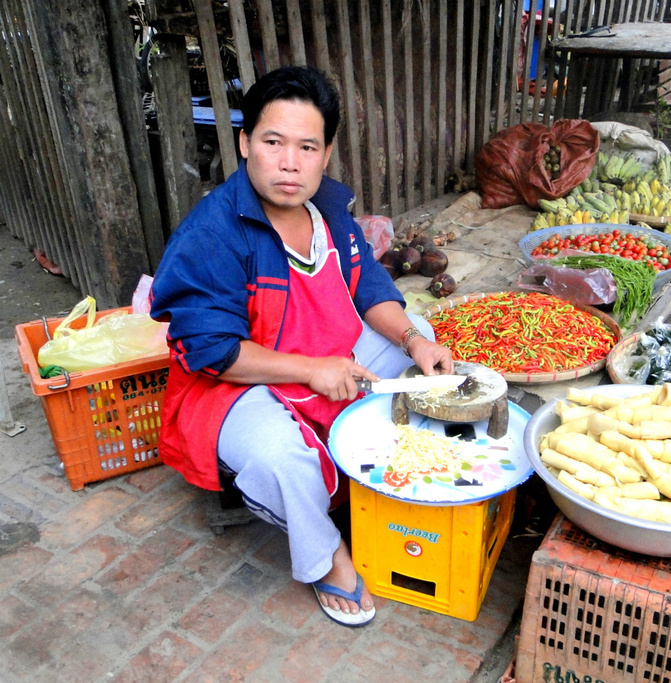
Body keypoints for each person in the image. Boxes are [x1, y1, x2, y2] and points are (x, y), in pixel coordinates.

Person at [149, 65, 454, 627]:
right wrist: (313, 371)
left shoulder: (329, 212)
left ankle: (386, 473)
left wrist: (412, 340)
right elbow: (212, 351)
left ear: (326, 152)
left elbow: (369, 289)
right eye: (272, 142)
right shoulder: (213, 232)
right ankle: (326, 556)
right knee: (281, 459)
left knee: (426, 344)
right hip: (234, 381)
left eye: (306, 146)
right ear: (245, 143)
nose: (289, 162)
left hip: (323, 349)